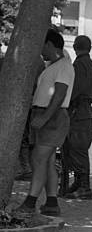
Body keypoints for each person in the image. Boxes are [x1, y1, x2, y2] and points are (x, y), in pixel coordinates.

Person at [14, 29, 74, 218]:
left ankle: (30, 202)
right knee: (47, 161)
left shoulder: (64, 65)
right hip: (44, 114)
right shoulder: (52, 66)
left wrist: (45, 117)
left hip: (53, 116)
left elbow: (60, 93)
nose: (40, 49)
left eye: (42, 45)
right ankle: (51, 202)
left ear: (49, 44)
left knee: (38, 159)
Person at [63, 35, 92, 200]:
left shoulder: (79, 65)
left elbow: (75, 89)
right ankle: (79, 183)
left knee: (77, 149)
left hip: (78, 111)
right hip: (85, 110)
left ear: (76, 46)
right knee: (77, 148)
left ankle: (84, 186)